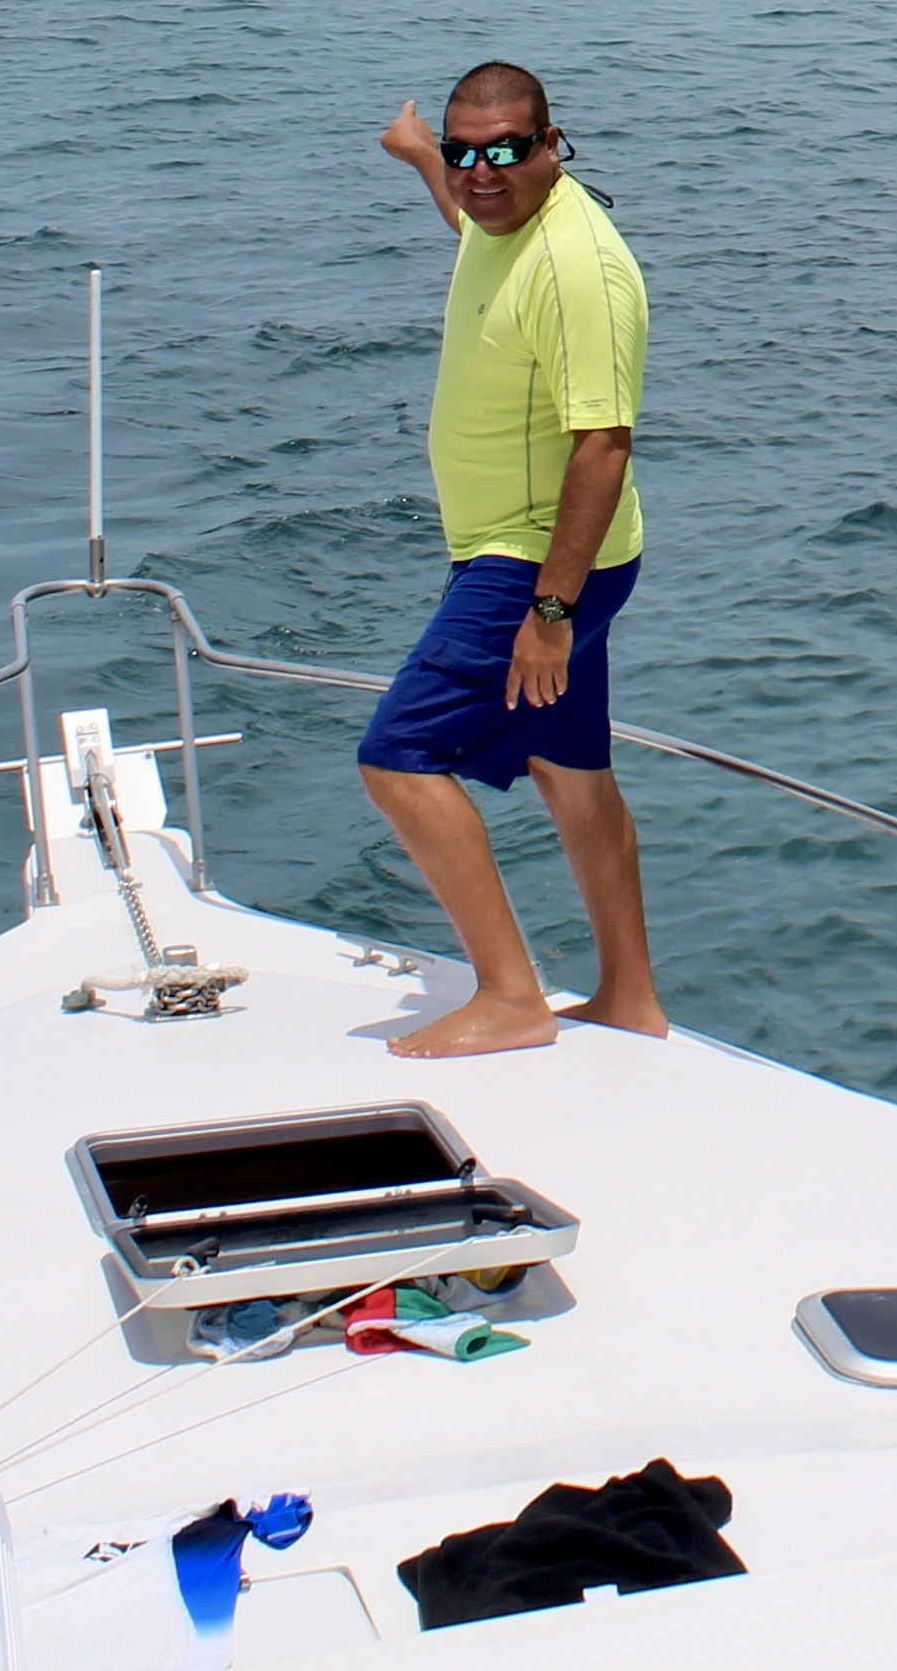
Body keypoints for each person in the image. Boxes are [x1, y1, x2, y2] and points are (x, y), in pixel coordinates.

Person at [355, 57, 667, 1056]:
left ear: (552, 146)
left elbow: (603, 445)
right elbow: (470, 221)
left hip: (533, 565)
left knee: (399, 759)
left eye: (505, 153)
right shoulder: (502, 219)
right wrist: (420, 162)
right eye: (463, 152)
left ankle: (510, 998)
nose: (480, 174)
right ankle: (627, 999)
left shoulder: (580, 268)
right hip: (551, 560)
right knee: (568, 763)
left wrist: (549, 615)